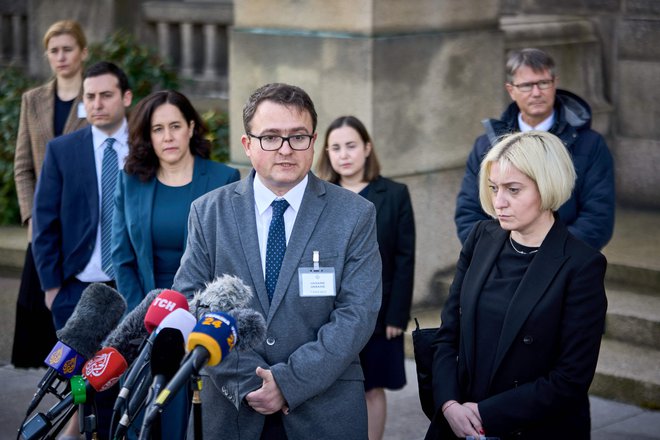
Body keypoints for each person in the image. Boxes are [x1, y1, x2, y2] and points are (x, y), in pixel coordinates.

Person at [172, 83, 383, 439]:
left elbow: (357, 314)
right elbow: (192, 304)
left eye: (297, 137)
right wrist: (248, 380)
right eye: (270, 137)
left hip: (324, 410)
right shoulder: (208, 213)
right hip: (234, 411)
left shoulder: (355, 215)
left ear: (313, 142)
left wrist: (288, 382)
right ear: (247, 145)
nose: (285, 149)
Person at [426, 131, 608, 439]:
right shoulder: (481, 238)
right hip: (456, 420)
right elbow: (447, 336)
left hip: (531, 426)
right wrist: (448, 404)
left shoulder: (582, 265)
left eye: (513, 189)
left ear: (548, 185)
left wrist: (484, 414)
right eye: (494, 188)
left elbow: (570, 378)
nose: (499, 202)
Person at [454, 47, 615, 250]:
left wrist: (546, 256)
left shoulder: (590, 145)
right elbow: (469, 212)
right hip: (501, 264)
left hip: (564, 265)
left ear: (555, 83)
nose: (536, 92)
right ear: (511, 90)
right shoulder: (486, 146)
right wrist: (503, 255)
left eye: (543, 83)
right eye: (527, 85)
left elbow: (598, 218)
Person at [315, 115, 415, 440]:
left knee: (372, 386)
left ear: (367, 148)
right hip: (327, 310)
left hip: (380, 312)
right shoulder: (318, 196)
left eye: (351, 146)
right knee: (330, 385)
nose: (343, 154)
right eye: (335, 148)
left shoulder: (395, 194)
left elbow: (404, 257)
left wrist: (397, 315)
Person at [112, 90, 240, 312]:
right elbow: (122, 258)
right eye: (158, 129)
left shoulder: (224, 179)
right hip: (144, 310)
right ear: (148, 136)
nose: (167, 137)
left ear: (190, 128)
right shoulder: (129, 181)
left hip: (203, 311)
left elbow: (231, 260)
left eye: (175, 126)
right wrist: (138, 314)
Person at [11, 19, 89, 368]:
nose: (61, 57)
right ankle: (45, 397)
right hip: (43, 225)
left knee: (76, 324)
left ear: (83, 52)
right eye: (54, 51)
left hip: (81, 226)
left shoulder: (98, 99)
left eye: (67, 49)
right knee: (37, 315)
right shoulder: (33, 100)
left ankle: (76, 399)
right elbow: (22, 166)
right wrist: (30, 216)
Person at [32, 60, 132, 330]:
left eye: (106, 95)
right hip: (76, 289)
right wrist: (52, 289)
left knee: (129, 372)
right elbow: (44, 222)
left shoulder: (146, 147)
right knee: (76, 373)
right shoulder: (61, 151)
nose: (96, 104)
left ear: (126, 97)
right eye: (90, 97)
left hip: (134, 289)